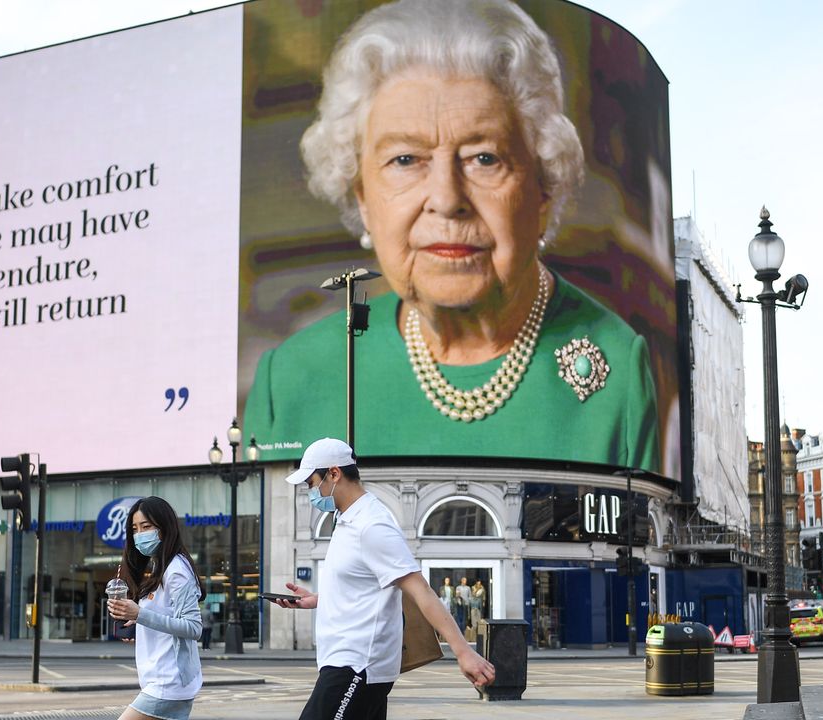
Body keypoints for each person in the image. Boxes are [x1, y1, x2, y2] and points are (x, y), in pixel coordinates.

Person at [244, 0, 661, 471]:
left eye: (484, 158)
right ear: (363, 197)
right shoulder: (294, 377)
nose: (446, 198)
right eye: (405, 159)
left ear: (543, 189)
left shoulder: (618, 368)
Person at [269, 438, 495, 719]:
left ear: (334, 473)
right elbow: (365, 586)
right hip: (350, 662)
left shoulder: (372, 525)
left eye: (311, 482)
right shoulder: (346, 519)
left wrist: (463, 652)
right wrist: (318, 600)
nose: (309, 491)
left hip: (357, 665)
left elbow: (420, 589)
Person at [107, 496, 204, 720]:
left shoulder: (176, 570)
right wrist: (137, 621)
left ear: (164, 527)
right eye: (135, 529)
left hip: (168, 683)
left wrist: (139, 614)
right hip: (160, 681)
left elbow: (193, 627)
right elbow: (163, 615)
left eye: (146, 526)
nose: (140, 534)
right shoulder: (160, 567)